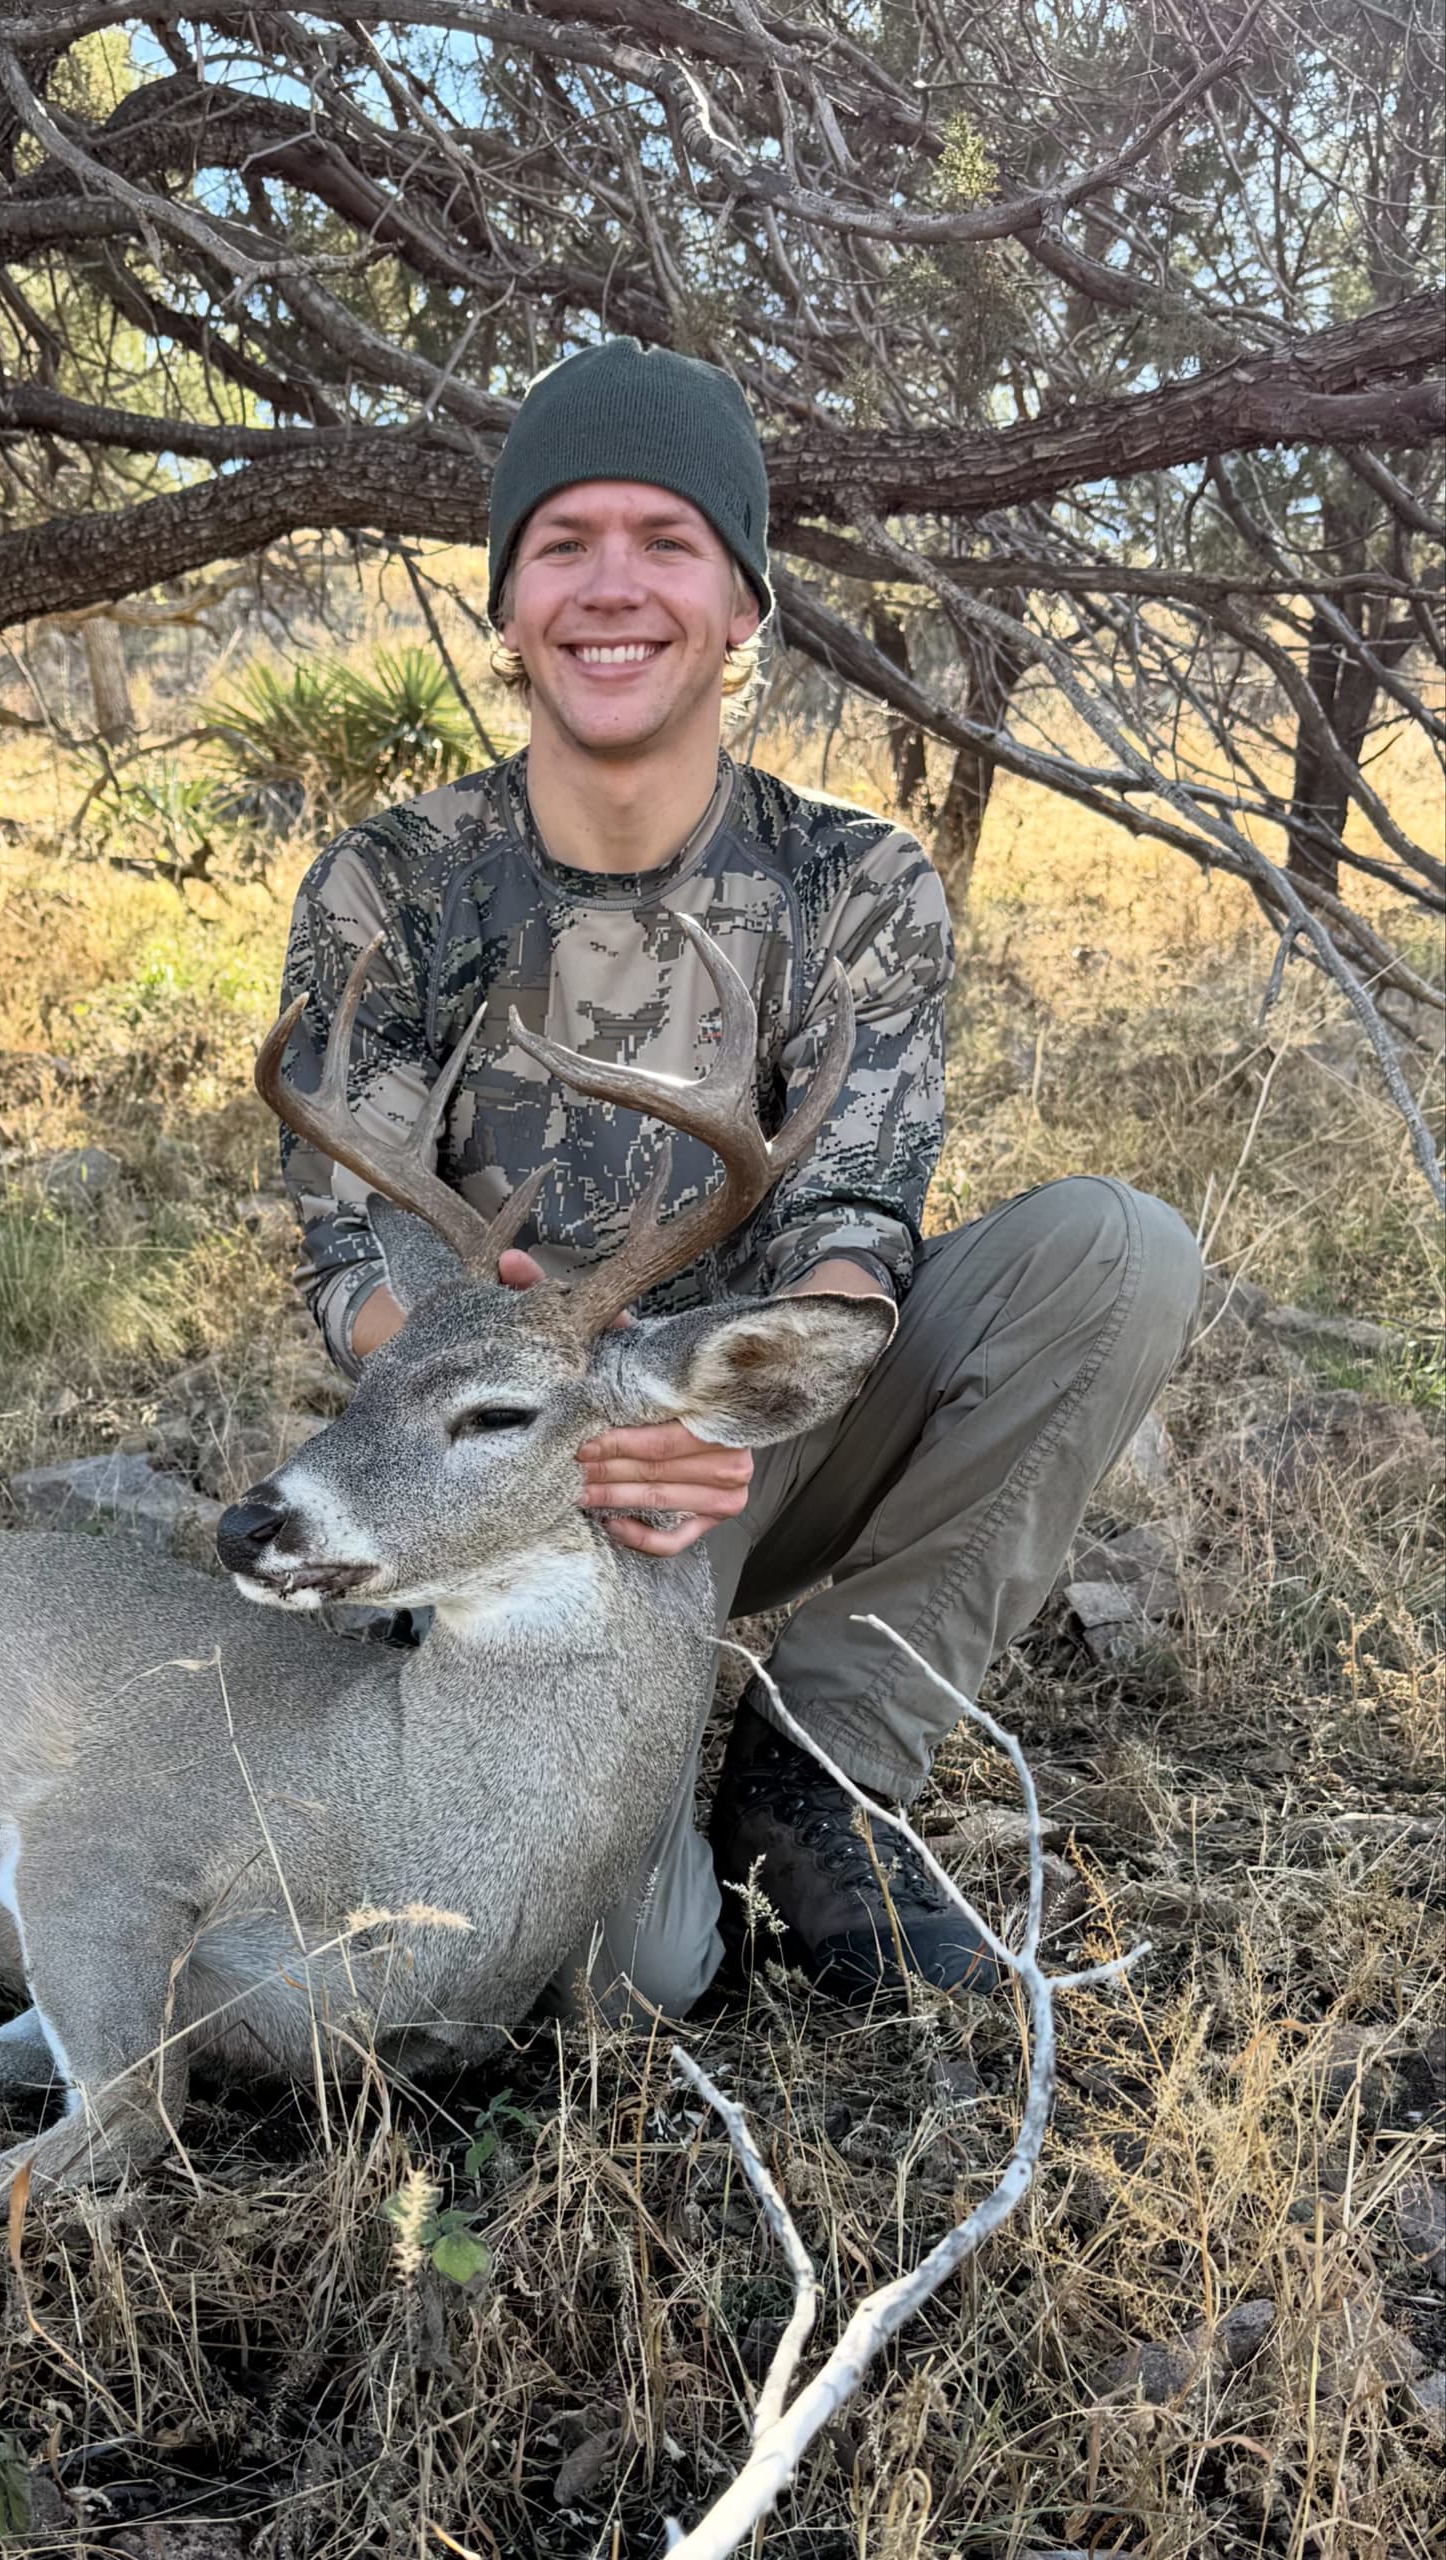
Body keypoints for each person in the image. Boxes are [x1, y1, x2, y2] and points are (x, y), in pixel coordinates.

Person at [275, 338, 1202, 2012]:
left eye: (666, 542)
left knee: (1116, 1252)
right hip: (499, 1471)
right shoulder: (390, 886)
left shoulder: (854, 880)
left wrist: (706, 1413)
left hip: (742, 1427)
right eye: (561, 545)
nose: (610, 588)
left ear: (745, 603)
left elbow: (855, 1220)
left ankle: (824, 1762)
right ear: (505, 602)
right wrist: (504, 1418)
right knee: (638, 1976)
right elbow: (351, 1258)